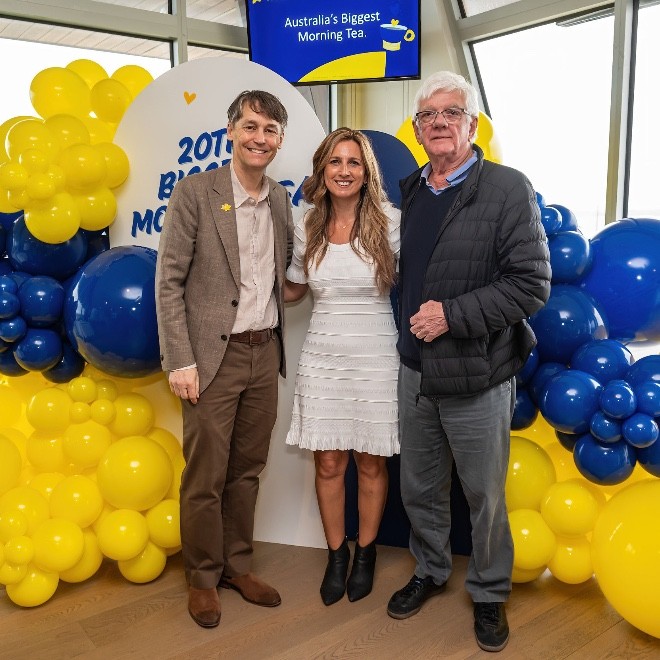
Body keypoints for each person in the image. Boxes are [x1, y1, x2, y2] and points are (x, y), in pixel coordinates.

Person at [386, 71, 551, 652]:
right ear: (416, 130)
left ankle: (488, 592)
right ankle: (431, 570)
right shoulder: (410, 190)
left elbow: (531, 285)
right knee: (420, 487)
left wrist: (452, 316)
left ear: (472, 125)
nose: (439, 123)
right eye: (428, 115)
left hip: (478, 374)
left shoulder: (508, 188)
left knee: (484, 495)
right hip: (414, 371)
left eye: (451, 113)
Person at [155, 90, 293, 629]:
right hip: (212, 358)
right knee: (205, 476)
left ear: (279, 140)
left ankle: (237, 567)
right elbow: (169, 282)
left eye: (270, 130)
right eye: (251, 126)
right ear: (231, 130)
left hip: (265, 353)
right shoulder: (195, 192)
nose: (260, 138)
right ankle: (203, 578)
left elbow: (281, 278)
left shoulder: (279, 200)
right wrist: (179, 360)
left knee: (247, 471)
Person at [284, 128, 400, 606]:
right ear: (322, 170)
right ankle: (337, 556)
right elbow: (293, 289)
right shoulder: (306, 225)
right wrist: (245, 280)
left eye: (354, 162)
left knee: (371, 461)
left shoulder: (391, 222)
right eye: (335, 162)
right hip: (323, 355)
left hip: (376, 354)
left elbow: (420, 282)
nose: (344, 171)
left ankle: (366, 553)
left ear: (366, 173)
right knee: (329, 462)